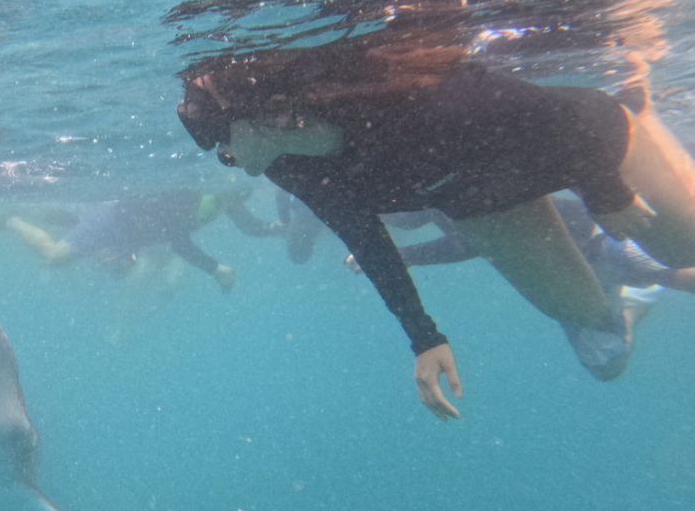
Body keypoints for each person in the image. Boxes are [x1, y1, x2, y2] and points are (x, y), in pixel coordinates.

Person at [176, 32, 695, 420]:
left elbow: (560, 115)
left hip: (578, 142)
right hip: (478, 198)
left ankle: (638, 109)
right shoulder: (290, 165)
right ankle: (611, 263)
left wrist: (606, 190)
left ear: (263, 115)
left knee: (686, 248)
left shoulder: (408, 99)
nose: (223, 155)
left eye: (221, 140)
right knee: (602, 352)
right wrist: (424, 337)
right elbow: (364, 236)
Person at [364, 198, 695, 380]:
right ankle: (633, 303)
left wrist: (404, 256)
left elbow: (472, 242)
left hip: (593, 251)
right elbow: (472, 241)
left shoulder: (612, 252)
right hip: (568, 267)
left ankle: (633, 305)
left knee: (605, 364)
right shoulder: (435, 202)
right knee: (603, 363)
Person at [0, 187, 280, 291]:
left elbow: (249, 227)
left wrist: (276, 227)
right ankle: (11, 220)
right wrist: (216, 270)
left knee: (111, 262)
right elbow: (179, 243)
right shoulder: (190, 201)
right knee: (54, 257)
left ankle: (63, 216)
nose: (237, 204)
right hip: (112, 223)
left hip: (124, 228)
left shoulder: (223, 201)